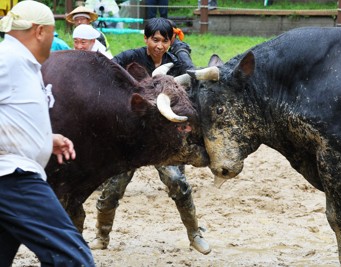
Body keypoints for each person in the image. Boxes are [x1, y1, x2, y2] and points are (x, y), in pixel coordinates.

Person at [90, 17, 211, 255]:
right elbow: (105, 76)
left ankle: (195, 234)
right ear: (145, 38)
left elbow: (191, 89)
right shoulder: (127, 58)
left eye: (165, 41)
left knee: (177, 182)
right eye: (155, 40)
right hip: (130, 135)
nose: (159, 45)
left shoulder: (176, 64)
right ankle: (101, 236)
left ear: (170, 41)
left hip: (164, 136)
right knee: (113, 187)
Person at [0, 1, 95, 266]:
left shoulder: (24, 64)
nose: (55, 39)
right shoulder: (8, 59)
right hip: (13, 179)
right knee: (72, 258)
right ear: (40, 31)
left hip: (11, 175)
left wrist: (42, 140)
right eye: (54, 32)